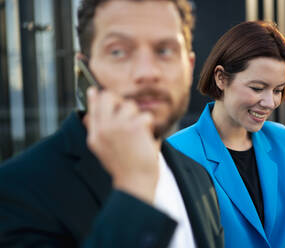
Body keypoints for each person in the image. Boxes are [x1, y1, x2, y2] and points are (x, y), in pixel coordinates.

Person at [0, 0, 223, 247]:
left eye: (164, 51)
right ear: (84, 70)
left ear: (189, 66)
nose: (147, 72)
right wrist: (134, 191)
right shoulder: (17, 190)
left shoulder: (199, 176)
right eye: (118, 51)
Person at [167, 21, 285, 247]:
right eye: (257, 88)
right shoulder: (177, 155)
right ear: (221, 78)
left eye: (277, 90)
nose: (270, 103)